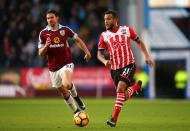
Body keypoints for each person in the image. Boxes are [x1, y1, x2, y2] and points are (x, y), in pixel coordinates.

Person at [97, 10, 154, 127]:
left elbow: (139, 42)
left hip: (129, 64)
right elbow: (99, 54)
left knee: (120, 88)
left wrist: (147, 56)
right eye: (105, 20)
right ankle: (136, 87)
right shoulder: (104, 35)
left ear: (115, 19)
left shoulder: (126, 29)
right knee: (123, 95)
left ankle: (114, 119)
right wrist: (104, 61)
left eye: (108, 19)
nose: (106, 22)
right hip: (114, 69)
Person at [38, 10, 91, 114]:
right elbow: (41, 53)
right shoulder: (43, 33)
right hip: (53, 68)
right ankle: (76, 111)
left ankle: (77, 97)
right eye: (48, 18)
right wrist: (46, 46)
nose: (49, 20)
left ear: (57, 18)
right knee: (64, 93)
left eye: (51, 17)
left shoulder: (65, 30)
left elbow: (78, 40)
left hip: (66, 63)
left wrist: (87, 51)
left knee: (67, 84)